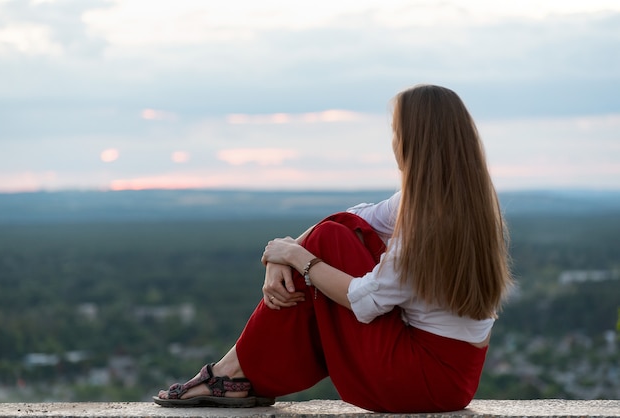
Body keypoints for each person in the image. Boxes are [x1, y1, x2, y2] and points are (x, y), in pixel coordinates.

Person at [153, 84, 513, 413]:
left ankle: (230, 374)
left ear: (413, 141)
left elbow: (367, 300)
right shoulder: (467, 204)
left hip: (417, 381)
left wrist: (296, 257)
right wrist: (287, 250)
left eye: (396, 133)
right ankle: (234, 372)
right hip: (456, 381)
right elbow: (354, 218)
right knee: (335, 231)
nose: (394, 143)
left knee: (328, 240)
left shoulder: (428, 221)